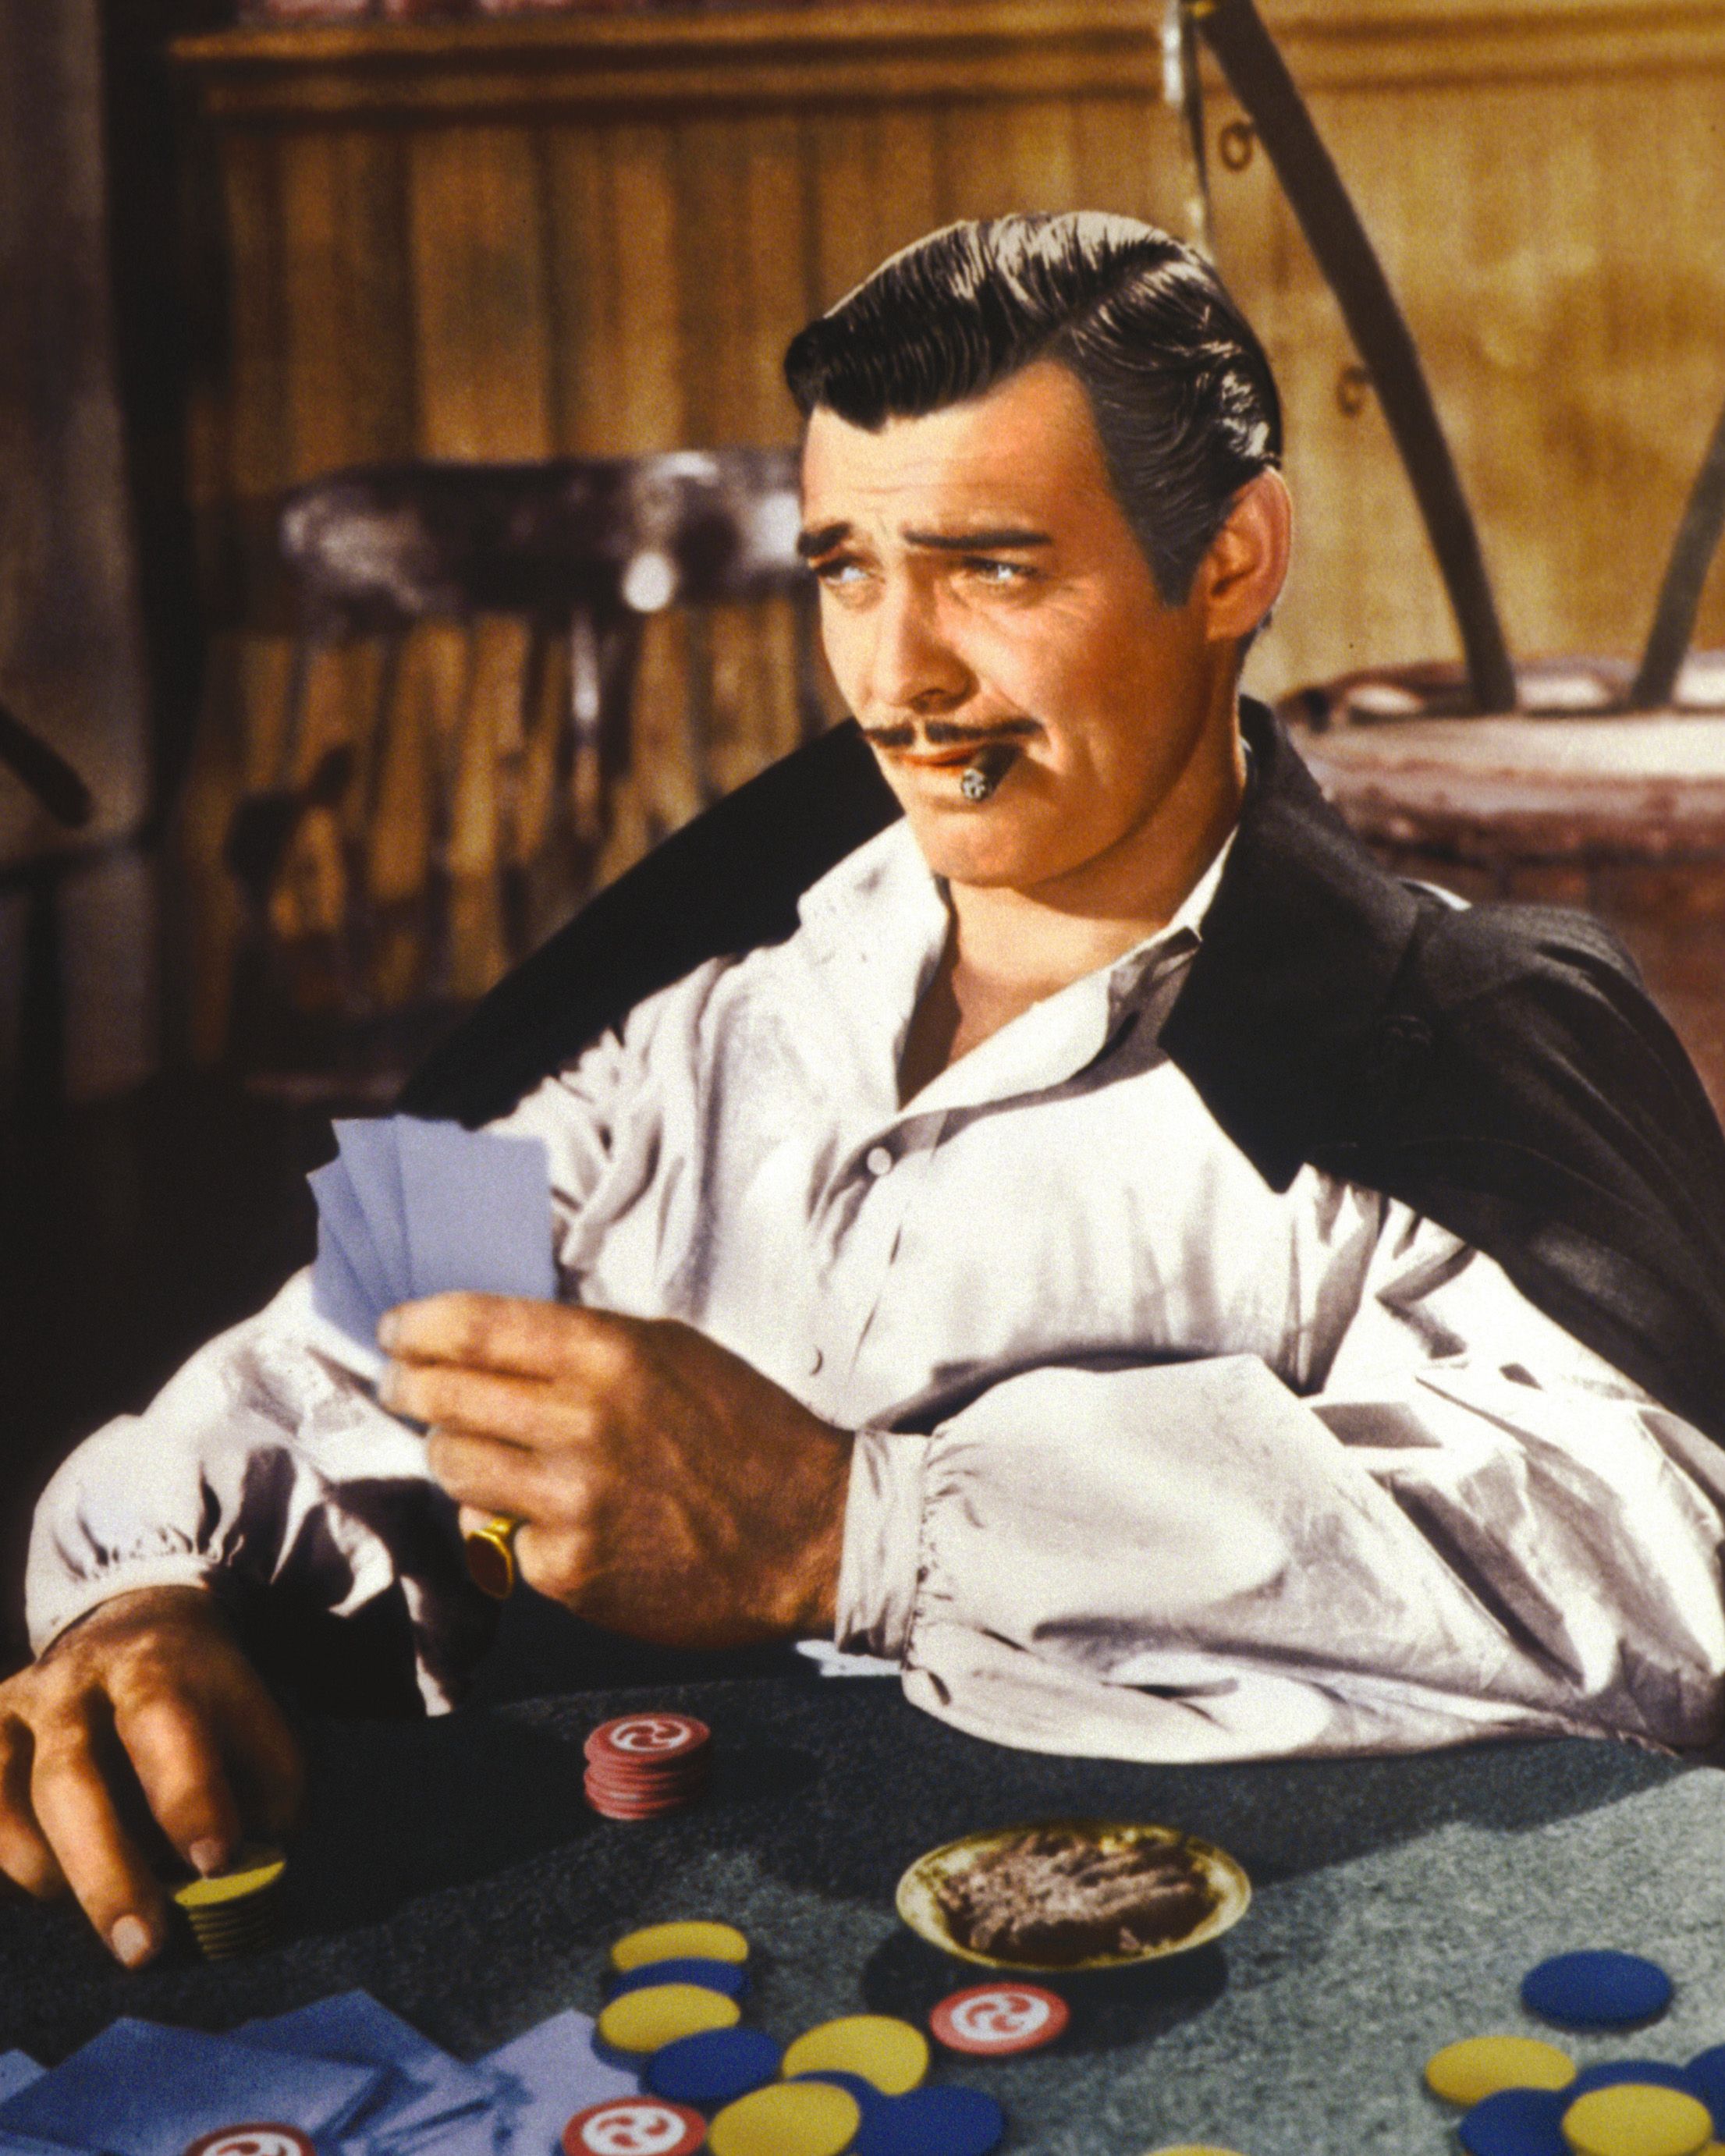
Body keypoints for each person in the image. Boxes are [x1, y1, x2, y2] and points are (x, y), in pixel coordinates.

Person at [5, 213, 1725, 1971]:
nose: (893, 679)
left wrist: (858, 1525)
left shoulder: (1443, 1042)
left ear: (1228, 560)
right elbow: (352, 1339)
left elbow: (1655, 1568)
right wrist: (152, 1589)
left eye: (989, 568)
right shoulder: (685, 1002)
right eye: (844, 569)